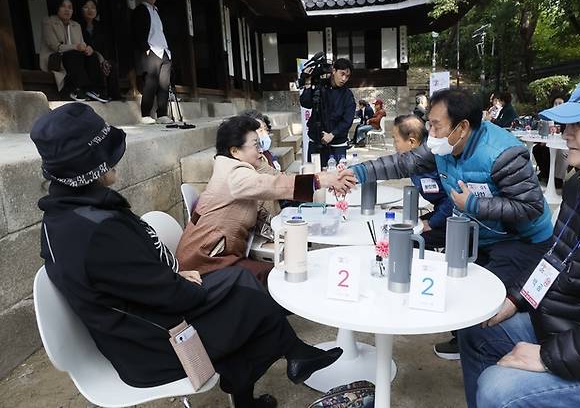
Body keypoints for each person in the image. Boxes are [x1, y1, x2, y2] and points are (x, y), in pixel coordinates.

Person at [32, 103, 343, 408]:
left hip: (134, 328)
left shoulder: (63, 218)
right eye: (108, 155)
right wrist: (186, 284)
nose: (116, 161)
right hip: (152, 348)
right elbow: (167, 295)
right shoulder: (99, 230)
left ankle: (289, 358)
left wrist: (179, 279)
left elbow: (129, 281)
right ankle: (286, 358)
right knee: (252, 299)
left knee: (241, 281)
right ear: (93, 167)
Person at [459, 67, 580, 408]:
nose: (565, 133)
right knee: (478, 326)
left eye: (579, 124)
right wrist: (516, 298)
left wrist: (548, 357)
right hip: (572, 328)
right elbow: (556, 255)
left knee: (498, 388)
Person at [347, 89, 553, 359]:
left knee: (484, 303)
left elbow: (530, 206)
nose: (429, 131)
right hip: (479, 232)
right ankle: (466, 339)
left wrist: (475, 205)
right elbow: (402, 163)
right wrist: (356, 173)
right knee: (460, 291)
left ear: (462, 127)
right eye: (429, 123)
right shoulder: (443, 146)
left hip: (520, 240)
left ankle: (490, 352)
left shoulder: (503, 154)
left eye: (435, 125)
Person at [175, 115, 356, 286]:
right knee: (281, 280)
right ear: (235, 151)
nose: (261, 150)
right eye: (255, 145)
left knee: (282, 276)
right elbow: (273, 184)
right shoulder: (234, 175)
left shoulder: (232, 167)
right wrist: (320, 180)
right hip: (204, 262)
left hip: (220, 254)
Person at [391, 114, 453, 250]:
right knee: (403, 231)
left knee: (410, 239)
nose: (394, 145)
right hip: (441, 212)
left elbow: (453, 198)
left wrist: (432, 222)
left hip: (455, 219)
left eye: (396, 140)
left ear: (412, 142)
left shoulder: (436, 159)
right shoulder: (412, 159)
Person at [40, 0, 107, 102]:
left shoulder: (76, 25)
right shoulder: (48, 22)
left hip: (75, 58)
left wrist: (87, 48)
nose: (67, 10)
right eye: (63, 6)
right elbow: (55, 46)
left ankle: (95, 90)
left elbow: (81, 43)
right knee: (74, 54)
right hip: (56, 58)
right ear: (57, 8)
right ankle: (78, 89)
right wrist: (76, 47)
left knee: (92, 56)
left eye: (70, 7)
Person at [300, 58, 356, 166]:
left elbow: (347, 120)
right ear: (334, 71)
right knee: (315, 177)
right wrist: (307, 82)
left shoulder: (347, 95)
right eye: (342, 74)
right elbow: (306, 103)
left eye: (347, 76)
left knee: (337, 178)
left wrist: (332, 134)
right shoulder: (319, 87)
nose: (344, 79)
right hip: (316, 140)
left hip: (337, 143)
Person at [132, 0, 172, 124]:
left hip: (164, 50)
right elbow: (137, 31)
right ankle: (145, 113)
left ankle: (162, 114)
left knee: (164, 83)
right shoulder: (140, 10)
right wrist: (145, 48)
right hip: (152, 49)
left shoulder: (157, 11)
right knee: (151, 82)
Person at [79, 0, 121, 101]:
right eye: (86, 7)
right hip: (85, 56)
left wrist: (104, 60)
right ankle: (98, 92)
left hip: (101, 57)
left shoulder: (100, 27)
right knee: (93, 60)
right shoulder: (77, 25)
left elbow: (105, 46)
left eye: (93, 7)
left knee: (112, 65)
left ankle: (114, 95)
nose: (90, 10)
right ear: (80, 9)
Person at [532, 95, 569, 188]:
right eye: (555, 103)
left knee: (559, 152)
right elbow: (543, 129)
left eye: (560, 103)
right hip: (550, 142)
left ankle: (557, 178)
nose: (557, 106)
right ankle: (545, 173)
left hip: (564, 143)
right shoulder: (549, 116)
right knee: (537, 149)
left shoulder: (568, 117)